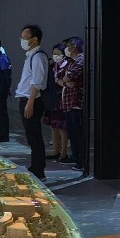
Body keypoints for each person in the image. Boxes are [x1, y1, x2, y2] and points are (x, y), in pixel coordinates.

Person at [15, 25, 48, 180]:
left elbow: (37, 82)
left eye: (25, 37)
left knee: (35, 136)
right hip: (27, 99)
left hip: (32, 100)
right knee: (31, 136)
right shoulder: (31, 55)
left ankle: (39, 170)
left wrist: (30, 103)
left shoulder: (38, 57)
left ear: (34, 39)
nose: (22, 40)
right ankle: (35, 167)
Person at [59, 36, 85, 172]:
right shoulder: (70, 62)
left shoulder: (81, 59)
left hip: (76, 101)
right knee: (72, 132)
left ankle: (81, 160)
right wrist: (65, 82)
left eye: (67, 47)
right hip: (68, 102)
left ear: (74, 47)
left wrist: (65, 80)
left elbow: (68, 76)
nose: (65, 50)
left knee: (78, 132)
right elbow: (60, 78)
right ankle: (75, 155)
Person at [44, 43, 69, 160]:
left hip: (63, 99)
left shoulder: (67, 67)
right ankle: (55, 151)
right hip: (52, 99)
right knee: (53, 126)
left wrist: (58, 81)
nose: (56, 56)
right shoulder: (52, 66)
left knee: (62, 127)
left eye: (59, 53)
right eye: (54, 53)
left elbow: (66, 83)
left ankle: (64, 153)